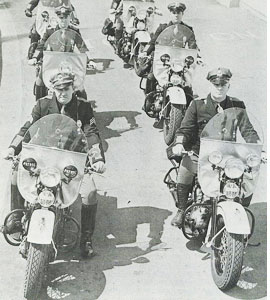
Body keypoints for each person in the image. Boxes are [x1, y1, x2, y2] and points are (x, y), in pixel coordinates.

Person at [3, 72, 105, 258]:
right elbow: (27, 128)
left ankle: (86, 239)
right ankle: (17, 217)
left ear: (73, 88)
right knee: (15, 174)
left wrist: (97, 159)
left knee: (90, 192)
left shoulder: (83, 108)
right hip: (44, 156)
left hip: (71, 159)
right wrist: (13, 148)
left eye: (66, 89)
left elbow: (91, 133)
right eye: (58, 89)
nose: (62, 93)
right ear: (53, 90)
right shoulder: (42, 105)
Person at [169, 67, 260, 227]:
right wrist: (179, 143)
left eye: (222, 85)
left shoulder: (237, 105)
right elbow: (185, 129)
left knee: (247, 177)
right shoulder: (197, 105)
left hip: (227, 155)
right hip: (200, 153)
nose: (219, 88)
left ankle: (242, 210)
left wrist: (257, 147)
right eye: (215, 85)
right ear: (210, 85)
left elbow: (247, 129)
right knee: (185, 170)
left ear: (228, 86)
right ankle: (182, 209)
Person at [141, 2, 201, 106]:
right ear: (170, 14)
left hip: (179, 61)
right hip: (163, 60)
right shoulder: (162, 27)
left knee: (187, 85)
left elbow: (193, 45)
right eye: (174, 12)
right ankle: (149, 101)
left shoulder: (188, 29)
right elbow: (153, 42)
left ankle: (189, 110)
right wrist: (145, 52)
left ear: (182, 14)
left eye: (179, 12)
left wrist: (197, 56)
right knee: (151, 76)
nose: (176, 15)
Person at [30, 4, 94, 100]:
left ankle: (85, 112)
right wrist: (35, 58)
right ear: (57, 18)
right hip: (51, 62)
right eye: (61, 18)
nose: (63, 20)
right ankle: (39, 107)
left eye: (66, 17)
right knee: (39, 82)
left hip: (69, 63)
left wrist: (89, 61)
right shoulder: (50, 31)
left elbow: (82, 48)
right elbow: (41, 46)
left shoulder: (74, 31)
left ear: (69, 18)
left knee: (80, 87)